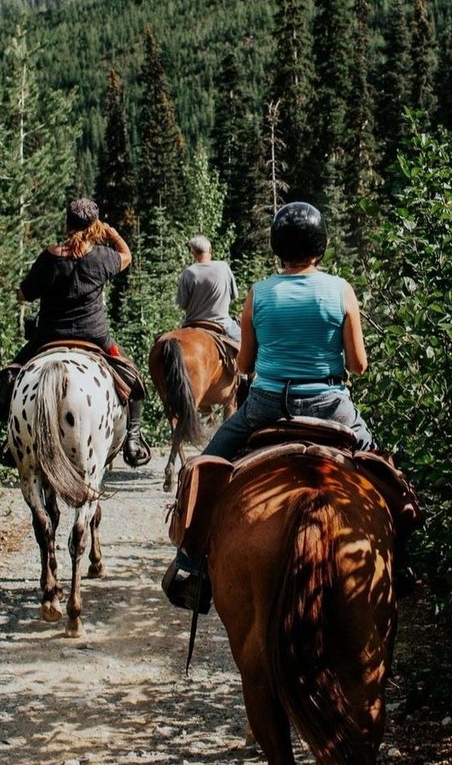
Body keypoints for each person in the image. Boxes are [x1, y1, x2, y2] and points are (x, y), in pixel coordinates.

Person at [162, 201, 380, 609]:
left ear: (278, 248)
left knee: (205, 467)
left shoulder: (258, 293)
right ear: (321, 245)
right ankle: (399, 563)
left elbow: (244, 365)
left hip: (266, 405)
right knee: (383, 467)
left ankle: (190, 563)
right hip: (331, 403)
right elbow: (359, 365)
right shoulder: (341, 290)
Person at [0, 196, 151, 468]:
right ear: (95, 226)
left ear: (66, 223)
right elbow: (127, 256)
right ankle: (133, 438)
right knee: (133, 379)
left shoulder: (50, 256)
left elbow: (23, 295)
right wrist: (113, 234)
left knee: (9, 377)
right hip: (95, 337)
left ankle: (12, 441)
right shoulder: (104, 257)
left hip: (48, 336)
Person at [175, 234, 240, 345]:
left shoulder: (187, 273)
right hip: (222, 323)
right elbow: (234, 296)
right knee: (247, 346)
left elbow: (182, 305)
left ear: (193, 254)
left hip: (192, 324)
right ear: (210, 250)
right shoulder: (223, 267)